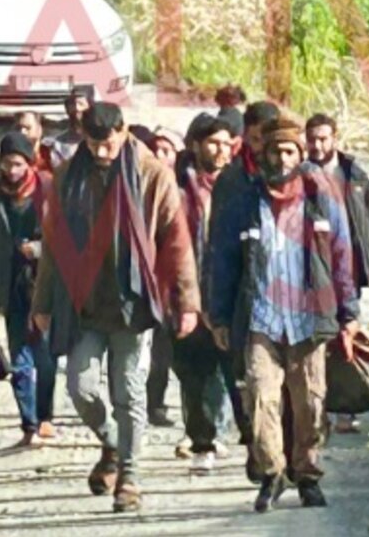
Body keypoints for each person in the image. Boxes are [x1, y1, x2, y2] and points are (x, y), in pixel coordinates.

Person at [32, 102, 199, 513]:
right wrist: (43, 301)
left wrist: (186, 302)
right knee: (80, 387)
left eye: (108, 144)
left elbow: (176, 241)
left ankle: (129, 475)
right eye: (93, 145)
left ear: (124, 131)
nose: (102, 153)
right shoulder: (68, 176)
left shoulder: (152, 175)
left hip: (132, 303)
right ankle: (110, 441)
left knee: (128, 391)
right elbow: (53, 244)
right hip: (83, 303)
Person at [210, 116, 361, 513]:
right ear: (263, 155)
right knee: (260, 399)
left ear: (300, 154)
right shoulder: (244, 204)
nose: (282, 158)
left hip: (309, 320)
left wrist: (348, 313)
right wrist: (219, 316)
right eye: (275, 151)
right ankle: (271, 474)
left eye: (289, 151)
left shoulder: (321, 201)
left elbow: (342, 258)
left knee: (310, 404)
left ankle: (308, 477)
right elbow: (222, 262)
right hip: (261, 320)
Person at [0, 133, 57, 447]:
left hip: (45, 287)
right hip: (10, 288)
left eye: (18, 164)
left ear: (29, 163)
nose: (12, 171)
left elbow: (71, 240)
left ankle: (45, 416)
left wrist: (40, 249)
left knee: (45, 357)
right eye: (7, 164)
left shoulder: (48, 191)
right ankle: (29, 424)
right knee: (19, 361)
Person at [209, 100, 280, 482]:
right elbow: (218, 250)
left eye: (268, 139)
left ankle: (284, 452)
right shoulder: (232, 181)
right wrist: (218, 312)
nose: (262, 148)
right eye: (255, 139)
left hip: (290, 298)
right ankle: (256, 443)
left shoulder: (294, 177)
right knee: (245, 378)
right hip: (244, 298)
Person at [171, 112, 240, 474]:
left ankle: (227, 432)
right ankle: (201, 440)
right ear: (196, 145)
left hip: (229, 293)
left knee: (230, 370)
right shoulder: (177, 187)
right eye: (213, 143)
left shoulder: (239, 186)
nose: (221, 150)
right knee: (192, 371)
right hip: (187, 291)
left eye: (227, 143)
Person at [305, 113, 369, 435]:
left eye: (323, 138)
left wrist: (361, 257)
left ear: (335, 138)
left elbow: (365, 217)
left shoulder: (353, 174)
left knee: (346, 333)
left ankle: (345, 409)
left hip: (349, 263)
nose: (317, 145)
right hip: (316, 266)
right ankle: (319, 407)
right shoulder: (302, 175)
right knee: (317, 338)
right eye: (312, 139)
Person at [138, 124, 185, 429]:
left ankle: (157, 403)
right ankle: (139, 404)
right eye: (156, 149)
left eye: (167, 150)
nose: (160, 155)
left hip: (172, 283)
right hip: (143, 280)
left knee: (166, 351)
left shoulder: (183, 190)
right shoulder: (138, 186)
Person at [43, 90, 90, 169]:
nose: (76, 108)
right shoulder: (54, 144)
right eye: (72, 104)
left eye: (81, 103)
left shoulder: (98, 139)